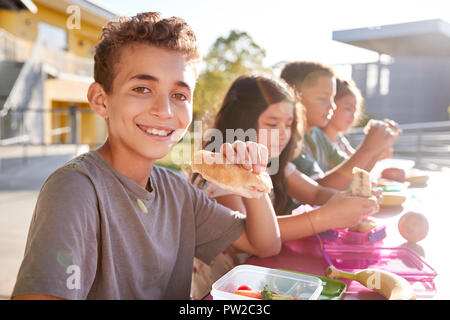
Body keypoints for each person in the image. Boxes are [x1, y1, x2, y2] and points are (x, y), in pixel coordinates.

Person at [11, 12, 282, 300]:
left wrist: (253, 179)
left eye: (179, 95)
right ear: (101, 100)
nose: (164, 110)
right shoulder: (76, 190)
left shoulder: (178, 191)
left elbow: (263, 245)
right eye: (142, 88)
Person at [189, 75, 380, 299]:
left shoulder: (276, 164)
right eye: (272, 124)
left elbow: (316, 192)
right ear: (241, 123)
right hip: (219, 290)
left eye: (288, 124)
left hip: (256, 278)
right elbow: (257, 240)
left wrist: (352, 202)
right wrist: (326, 217)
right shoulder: (222, 176)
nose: (283, 133)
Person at [280, 61, 401, 190]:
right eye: (322, 98)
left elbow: (354, 173)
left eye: (332, 98)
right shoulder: (289, 139)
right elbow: (318, 191)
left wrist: (378, 147)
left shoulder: (317, 134)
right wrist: (368, 148)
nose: (332, 106)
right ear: (295, 98)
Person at [322, 78, 364, 156]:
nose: (353, 115)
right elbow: (350, 165)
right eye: (348, 109)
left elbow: (355, 160)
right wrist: (369, 148)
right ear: (331, 106)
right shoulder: (320, 141)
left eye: (355, 110)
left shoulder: (339, 139)